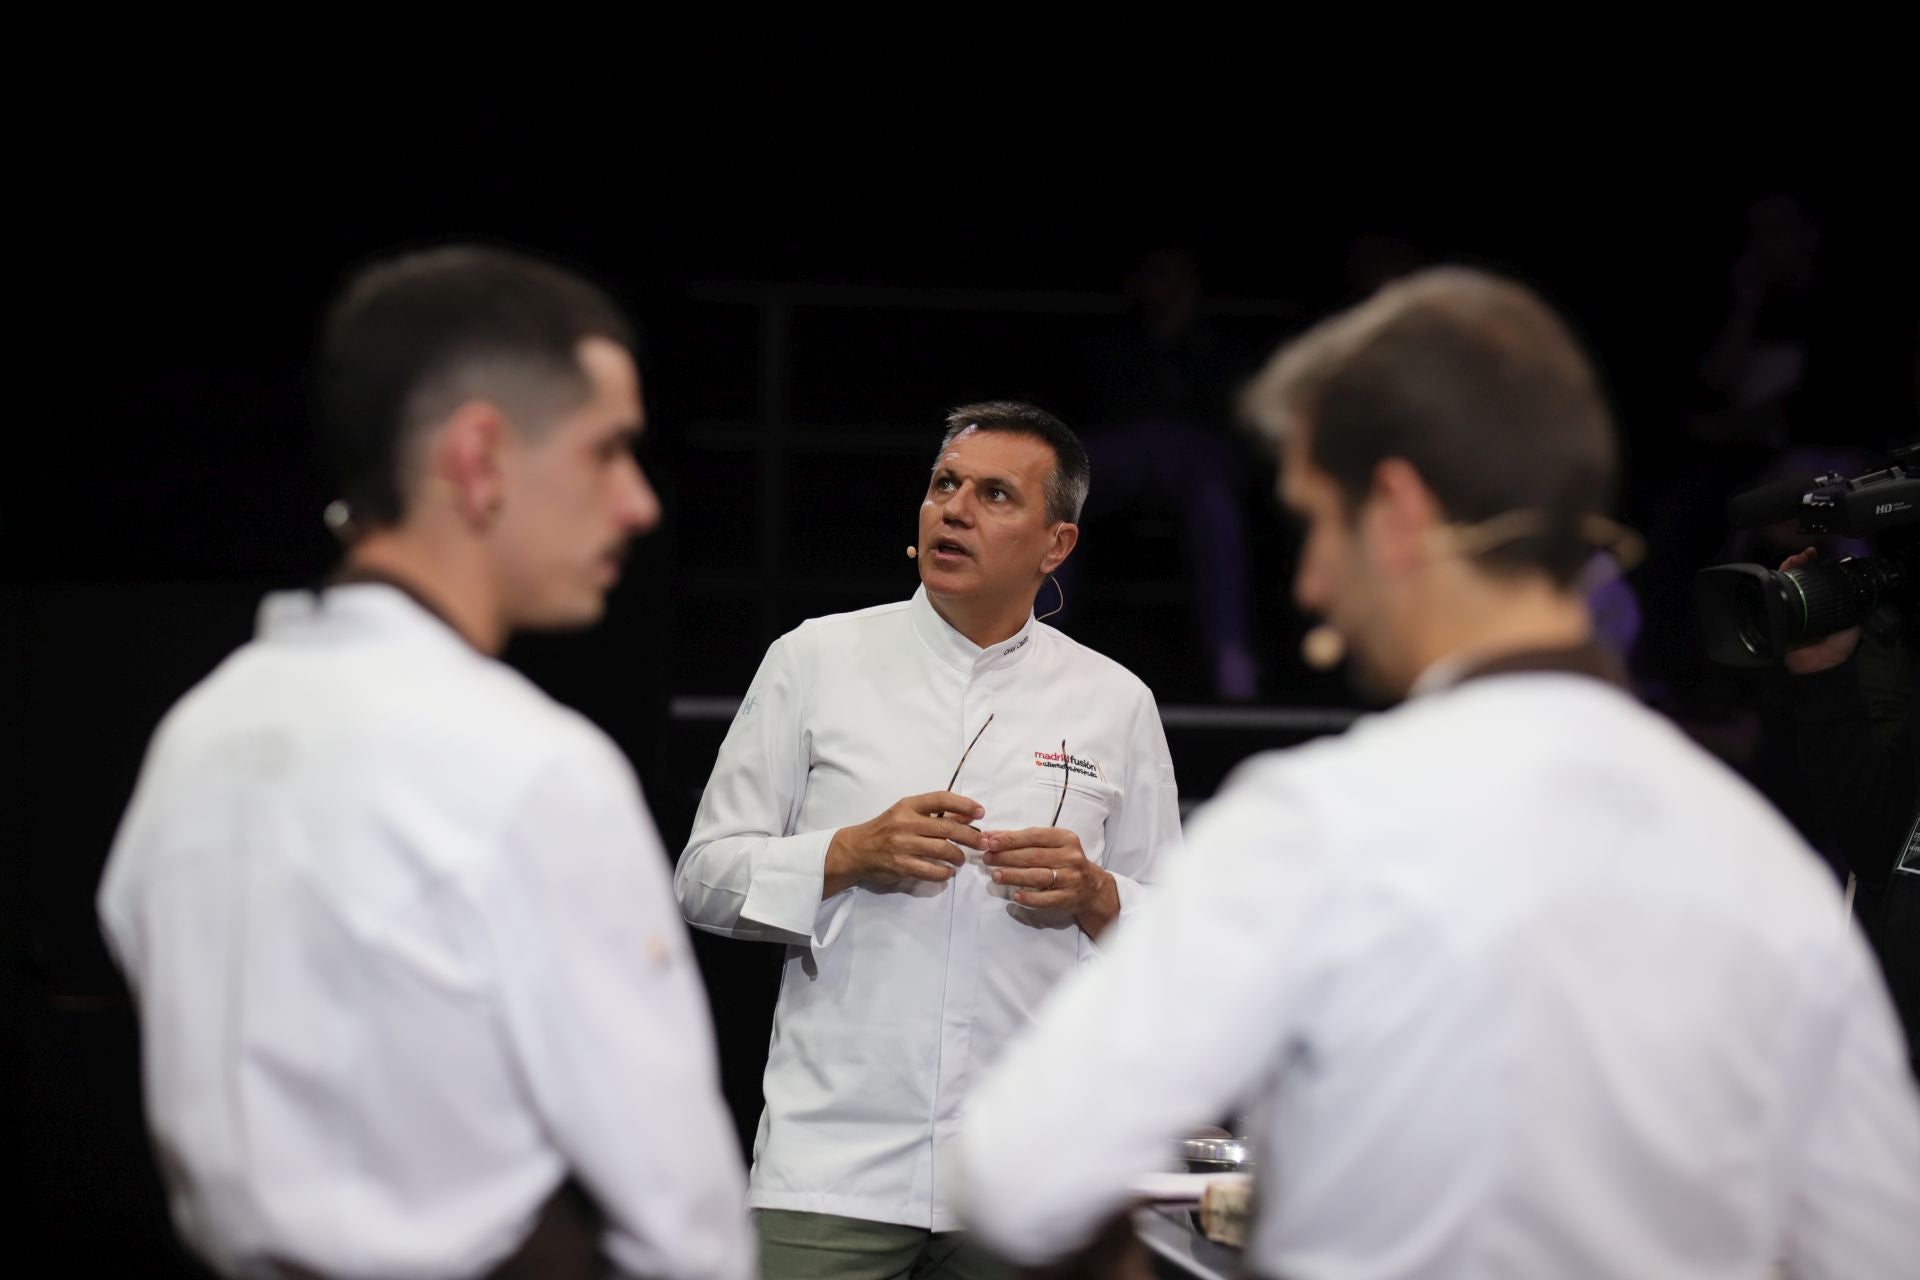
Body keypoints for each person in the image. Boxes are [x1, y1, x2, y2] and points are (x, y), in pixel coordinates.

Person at [958, 269, 1920, 1278]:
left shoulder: (1322, 823)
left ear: (1398, 508)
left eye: (1316, 521)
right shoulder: (1759, 863)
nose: (1312, 581)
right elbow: (1882, 1243)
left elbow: (1019, 1169)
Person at [97, 246, 752, 1279]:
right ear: (480, 457)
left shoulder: (200, 733)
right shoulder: (532, 765)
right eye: (608, 449)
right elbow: (684, 1219)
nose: (639, 502)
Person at [675, 401, 1183, 1279]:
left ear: (1055, 545)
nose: (953, 509)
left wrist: (1098, 895)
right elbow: (703, 879)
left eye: (993, 495)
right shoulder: (815, 660)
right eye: (944, 485)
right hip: (831, 1175)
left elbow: (1184, 946)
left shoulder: (1115, 702)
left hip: (1028, 1178)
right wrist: (844, 854)